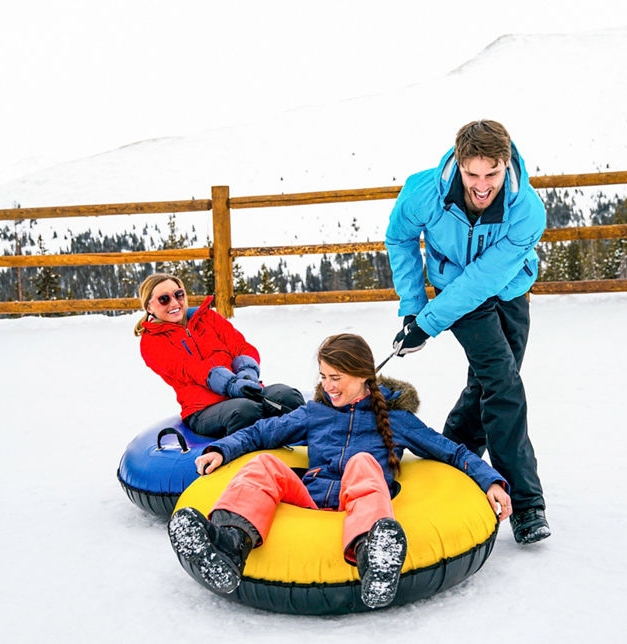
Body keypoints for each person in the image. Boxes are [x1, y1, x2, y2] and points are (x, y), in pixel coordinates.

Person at [166, 333, 510, 610]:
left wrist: (490, 481)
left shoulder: (395, 420)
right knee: (264, 464)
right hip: (310, 497)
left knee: (362, 462)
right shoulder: (315, 413)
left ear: (362, 375)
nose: (329, 386)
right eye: (324, 377)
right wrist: (220, 449)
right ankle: (227, 549)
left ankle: (374, 557)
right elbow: (261, 433)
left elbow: (450, 450)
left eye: (337, 377)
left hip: (362, 502)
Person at [384, 120, 551, 544]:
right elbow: (400, 238)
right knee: (501, 381)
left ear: (506, 165)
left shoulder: (526, 209)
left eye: (491, 175)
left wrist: (427, 323)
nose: (481, 186)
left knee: (488, 383)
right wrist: (413, 307)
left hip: (509, 288)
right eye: (472, 174)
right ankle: (527, 503)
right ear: (458, 163)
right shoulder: (424, 192)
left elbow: (483, 279)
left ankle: (453, 455)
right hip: (453, 293)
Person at [135, 273, 304, 437]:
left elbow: (240, 346)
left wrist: (247, 373)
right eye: (164, 299)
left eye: (179, 295)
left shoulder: (208, 317)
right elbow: (190, 369)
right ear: (149, 307)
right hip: (202, 409)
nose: (174, 303)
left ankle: (307, 453)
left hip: (246, 392)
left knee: (288, 397)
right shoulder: (151, 342)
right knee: (246, 412)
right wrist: (230, 384)